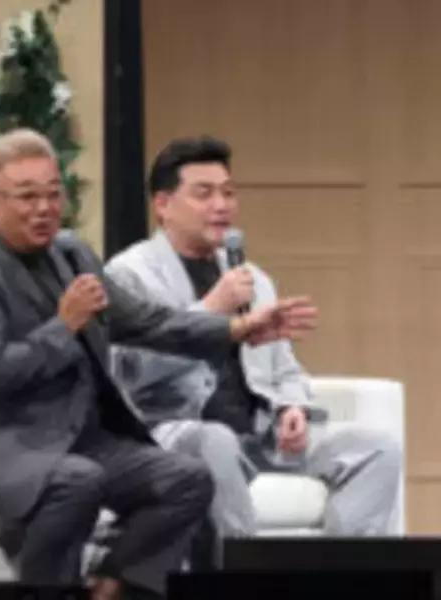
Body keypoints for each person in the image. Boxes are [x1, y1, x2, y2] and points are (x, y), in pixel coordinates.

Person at [0, 129, 317, 600]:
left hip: (82, 439)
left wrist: (237, 328)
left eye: (53, 194)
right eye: (27, 196)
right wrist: (65, 326)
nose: (43, 208)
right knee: (76, 481)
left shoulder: (72, 255)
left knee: (185, 479)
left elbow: (147, 323)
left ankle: (112, 587)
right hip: (2, 441)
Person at [106, 136, 401, 556]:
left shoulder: (252, 279)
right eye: (204, 193)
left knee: (377, 449)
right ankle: (241, 579)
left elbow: (284, 369)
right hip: (176, 432)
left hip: (259, 436)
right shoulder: (129, 275)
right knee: (216, 441)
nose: (221, 205)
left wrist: (291, 406)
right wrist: (211, 309)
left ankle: (342, 576)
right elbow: (128, 375)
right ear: (163, 204)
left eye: (228, 193)